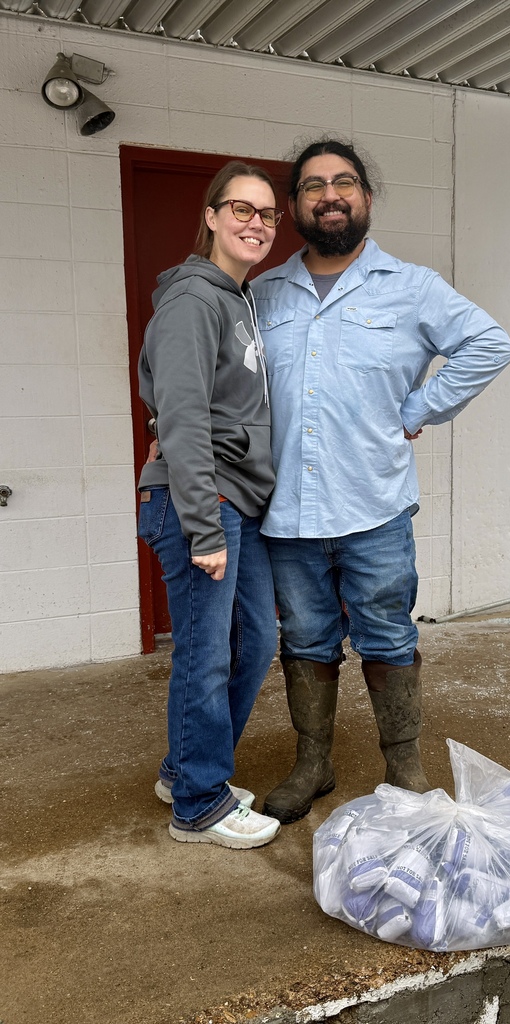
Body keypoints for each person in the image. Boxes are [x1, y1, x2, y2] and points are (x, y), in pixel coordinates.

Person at [251, 139, 510, 825]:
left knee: (388, 638)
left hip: (374, 507)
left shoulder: (412, 286)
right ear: (294, 205)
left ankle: (403, 763)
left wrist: (418, 408)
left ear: (367, 198)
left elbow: (488, 345)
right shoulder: (263, 292)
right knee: (304, 642)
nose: (329, 195)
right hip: (288, 515)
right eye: (312, 185)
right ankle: (314, 763)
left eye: (343, 182)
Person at [137, 161, 282, 850]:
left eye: (268, 214)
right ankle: (197, 802)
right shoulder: (193, 301)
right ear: (211, 216)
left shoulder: (235, 298)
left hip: (237, 502)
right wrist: (203, 526)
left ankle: (185, 768)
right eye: (242, 209)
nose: (257, 223)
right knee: (206, 654)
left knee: (253, 642)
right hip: (201, 500)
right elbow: (183, 417)